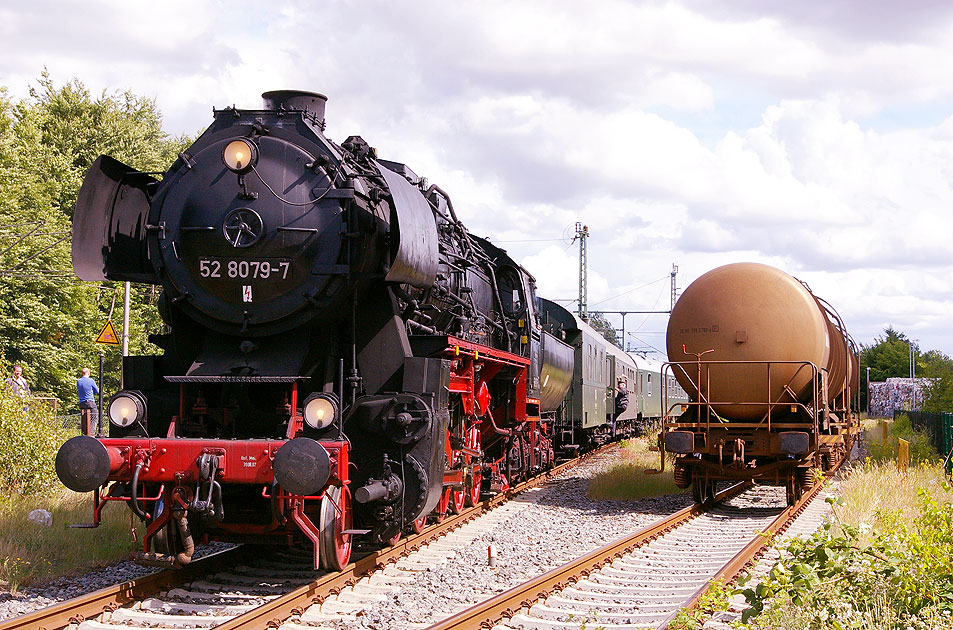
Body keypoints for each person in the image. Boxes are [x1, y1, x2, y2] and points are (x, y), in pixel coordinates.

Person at [76, 367, 100, 435]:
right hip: (90, 402)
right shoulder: (91, 380)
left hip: (81, 403)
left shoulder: (78, 381)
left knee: (84, 418)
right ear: (88, 373)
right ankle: (91, 434)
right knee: (94, 417)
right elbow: (97, 391)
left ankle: (84, 432)